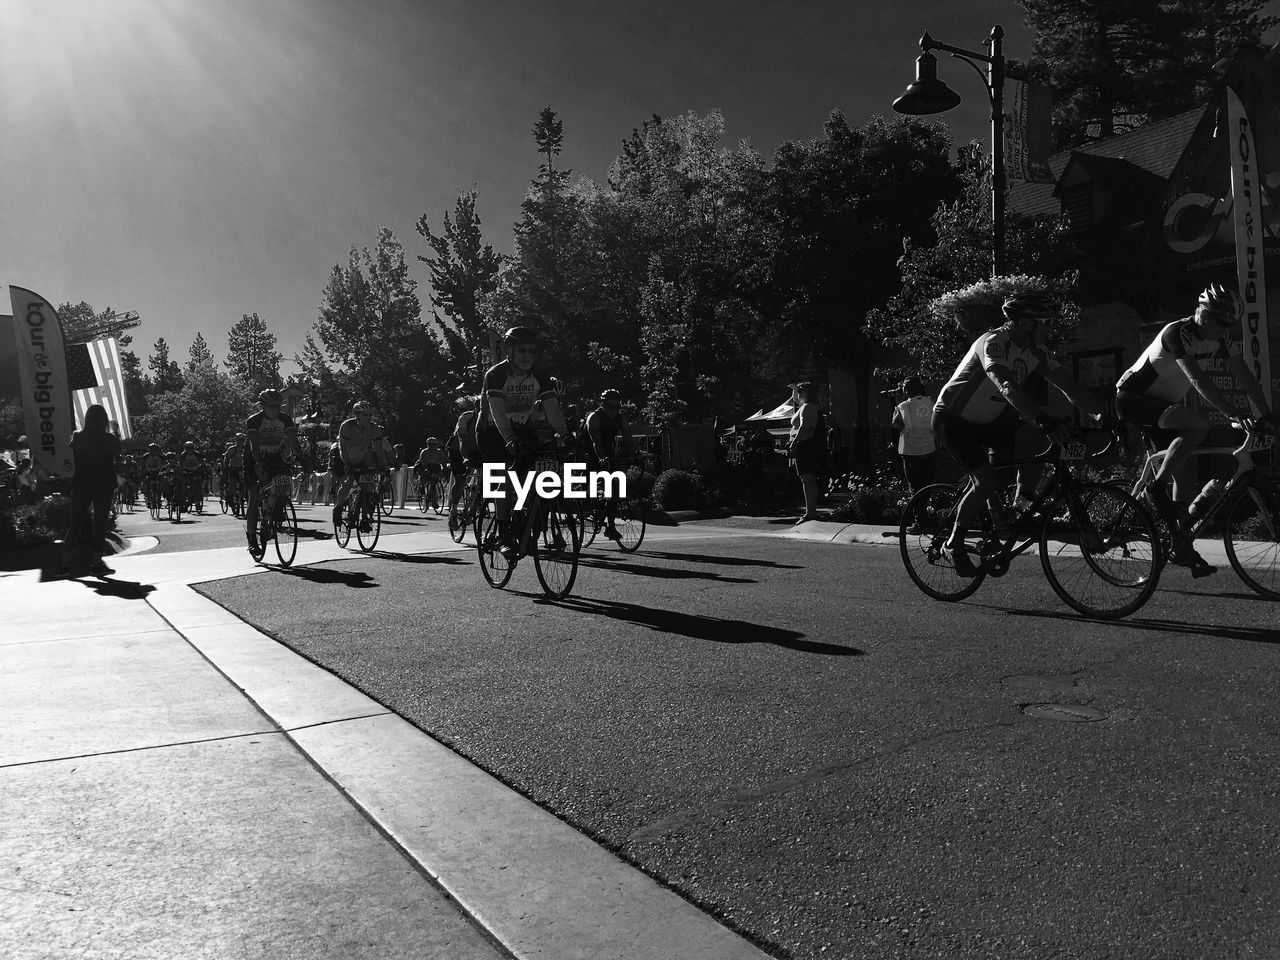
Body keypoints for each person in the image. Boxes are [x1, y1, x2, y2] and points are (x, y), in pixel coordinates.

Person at [933, 292, 1105, 577]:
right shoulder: (994, 342)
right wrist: (1042, 418)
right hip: (952, 419)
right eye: (1045, 322)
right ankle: (954, 544)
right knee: (985, 480)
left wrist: (1102, 415)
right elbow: (1006, 384)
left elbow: (1069, 385)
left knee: (1036, 439)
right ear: (1026, 324)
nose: (1050, 328)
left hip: (987, 421)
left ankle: (1019, 508)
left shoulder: (1036, 350)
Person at [1115, 281, 1280, 573]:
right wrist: (1233, 412)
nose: (1223, 328)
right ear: (1202, 311)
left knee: (1186, 479)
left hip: (1166, 407)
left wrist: (1266, 414)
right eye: (1219, 320)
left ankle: (1180, 547)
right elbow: (1197, 380)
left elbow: (1244, 376)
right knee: (1197, 426)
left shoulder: (1222, 340)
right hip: (1134, 398)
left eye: (1229, 323)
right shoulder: (1178, 332)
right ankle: (1155, 488)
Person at [478, 324, 569, 559]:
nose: (528, 356)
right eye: (522, 351)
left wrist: (566, 435)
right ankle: (504, 533)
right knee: (504, 478)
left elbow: (553, 410)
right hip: (492, 431)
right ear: (509, 351)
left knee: (537, 471)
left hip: (521, 429)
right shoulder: (495, 375)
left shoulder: (540, 375)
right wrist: (508, 439)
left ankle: (526, 519)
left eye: (531, 351)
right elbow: (497, 412)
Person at [60, 403, 121, 575]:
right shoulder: (109, 439)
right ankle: (96, 563)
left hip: (82, 483)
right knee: (100, 524)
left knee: (75, 525)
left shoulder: (77, 436)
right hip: (104, 484)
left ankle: (64, 565)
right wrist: (115, 431)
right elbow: (117, 454)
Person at [244, 388, 301, 553]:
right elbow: (254, 446)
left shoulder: (285, 419)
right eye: (271, 406)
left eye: (278, 406)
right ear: (262, 405)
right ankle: (252, 539)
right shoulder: (254, 421)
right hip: (253, 457)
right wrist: (258, 464)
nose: (275, 410)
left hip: (274, 455)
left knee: (283, 482)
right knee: (254, 495)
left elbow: (293, 441)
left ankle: (277, 508)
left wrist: (300, 457)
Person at [584, 389, 634, 542]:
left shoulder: (620, 418)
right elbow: (595, 441)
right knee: (595, 477)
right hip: (588, 451)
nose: (614, 411)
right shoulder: (594, 418)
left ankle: (610, 527)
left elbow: (628, 437)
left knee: (614, 488)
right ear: (603, 405)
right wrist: (600, 459)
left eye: (617, 407)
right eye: (610, 407)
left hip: (607, 450)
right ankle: (591, 504)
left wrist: (634, 455)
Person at [330, 401, 387, 528]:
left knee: (366, 485)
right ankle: (338, 509)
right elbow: (342, 447)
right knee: (348, 482)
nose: (368, 418)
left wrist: (382, 466)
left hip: (360, 459)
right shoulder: (347, 426)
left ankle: (365, 519)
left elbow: (379, 449)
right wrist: (347, 463)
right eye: (364, 415)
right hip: (342, 457)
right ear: (357, 415)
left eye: (370, 415)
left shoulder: (374, 428)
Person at [787, 382, 825, 523]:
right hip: (808, 445)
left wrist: (794, 442)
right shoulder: (807, 406)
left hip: (806, 446)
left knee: (807, 479)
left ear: (806, 393)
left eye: (800, 391)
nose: (798, 395)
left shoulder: (807, 407)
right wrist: (795, 389)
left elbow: (805, 427)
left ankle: (810, 513)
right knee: (808, 479)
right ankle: (811, 511)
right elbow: (796, 399)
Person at [892, 376, 937, 494]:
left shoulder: (903, 406)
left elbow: (896, 424)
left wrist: (897, 404)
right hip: (929, 449)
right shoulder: (931, 402)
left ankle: (917, 511)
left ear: (906, 390)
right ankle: (925, 509)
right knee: (927, 486)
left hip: (911, 452)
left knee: (915, 487)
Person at [447, 397, 482, 519]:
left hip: (477, 448)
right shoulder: (466, 417)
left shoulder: (490, 418)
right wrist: (465, 458)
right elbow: (462, 440)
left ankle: (480, 503)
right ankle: (453, 510)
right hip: (458, 449)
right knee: (461, 480)